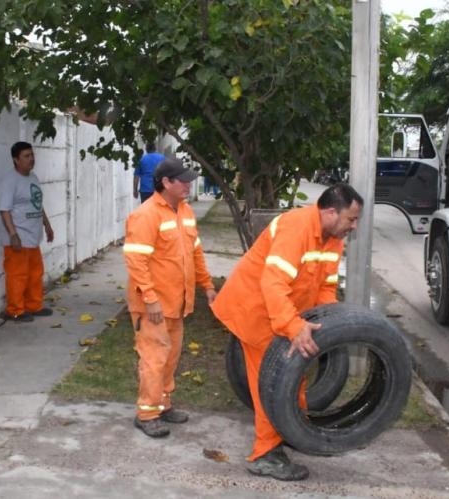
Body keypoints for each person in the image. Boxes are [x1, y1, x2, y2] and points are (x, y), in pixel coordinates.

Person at [211, 183, 363, 481]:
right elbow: (273, 284)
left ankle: (292, 431)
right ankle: (265, 455)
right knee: (272, 385)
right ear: (330, 212)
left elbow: (325, 287)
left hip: (286, 315)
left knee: (294, 376)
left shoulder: (333, 238)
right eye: (351, 219)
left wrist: (328, 327)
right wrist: (293, 326)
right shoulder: (296, 227)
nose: (354, 226)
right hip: (257, 312)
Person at [123, 158, 217, 438]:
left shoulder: (185, 211)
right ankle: (147, 414)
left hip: (177, 303)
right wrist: (150, 298)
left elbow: (195, 253)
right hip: (153, 305)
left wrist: (207, 286)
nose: (188, 184)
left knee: (170, 357)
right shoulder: (146, 214)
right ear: (166, 182)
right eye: (183, 180)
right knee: (154, 359)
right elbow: (136, 261)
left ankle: (162, 404)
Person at [0, 142, 54, 322]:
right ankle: (15, 310)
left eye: (32, 155)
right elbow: (4, 210)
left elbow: (37, 204)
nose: (31, 159)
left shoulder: (33, 177)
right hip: (18, 238)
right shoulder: (9, 181)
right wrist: (13, 235)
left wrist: (47, 225)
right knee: (17, 275)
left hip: (33, 237)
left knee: (35, 274)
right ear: (16, 159)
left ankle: (34, 306)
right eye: (26, 156)